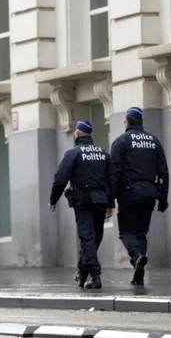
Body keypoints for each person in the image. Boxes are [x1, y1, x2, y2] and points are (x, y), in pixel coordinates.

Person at [49, 120, 114, 289]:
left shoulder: (73, 153)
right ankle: (83, 273)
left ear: (76, 135)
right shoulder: (103, 153)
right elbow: (112, 180)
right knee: (94, 237)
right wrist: (110, 203)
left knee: (87, 238)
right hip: (100, 200)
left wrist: (53, 200)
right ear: (91, 135)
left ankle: (95, 275)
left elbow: (60, 178)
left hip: (83, 200)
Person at [110, 107, 169, 286]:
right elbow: (164, 172)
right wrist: (163, 198)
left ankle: (137, 256)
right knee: (141, 234)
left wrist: (109, 199)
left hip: (129, 193)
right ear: (141, 122)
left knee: (126, 232)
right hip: (150, 193)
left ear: (127, 122)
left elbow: (114, 173)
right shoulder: (154, 141)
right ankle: (139, 275)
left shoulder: (121, 141)